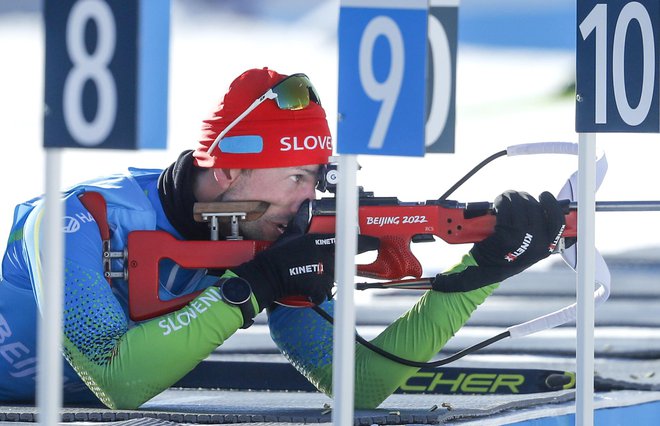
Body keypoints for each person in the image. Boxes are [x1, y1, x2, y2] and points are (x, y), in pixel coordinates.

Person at [0, 67, 567, 410]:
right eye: (296, 177)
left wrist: (476, 275)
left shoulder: (270, 230)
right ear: (227, 171)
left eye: (317, 180)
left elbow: (359, 384)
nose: (307, 198)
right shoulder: (76, 219)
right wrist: (251, 289)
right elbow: (119, 382)